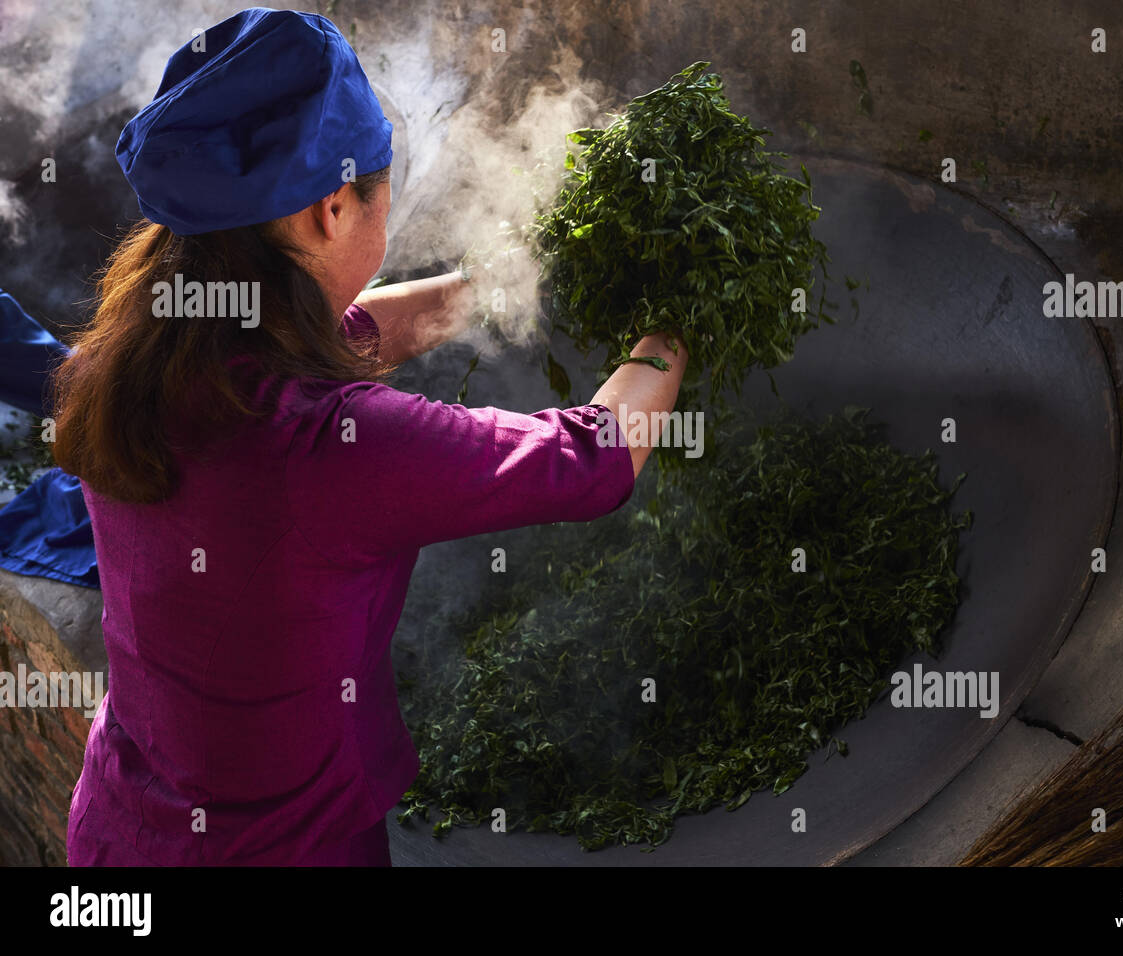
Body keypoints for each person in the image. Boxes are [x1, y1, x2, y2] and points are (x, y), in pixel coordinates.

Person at [57, 7, 686, 866]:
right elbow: (589, 461)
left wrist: (498, 283)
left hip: (119, 831)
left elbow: (327, 332)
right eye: (384, 188)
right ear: (331, 208)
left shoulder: (122, 356)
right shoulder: (337, 447)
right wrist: (673, 329)